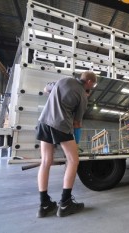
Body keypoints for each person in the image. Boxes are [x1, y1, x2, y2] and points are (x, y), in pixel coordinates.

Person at [35, 71, 97, 218]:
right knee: (73, 160)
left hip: (44, 122)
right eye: (93, 85)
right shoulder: (82, 95)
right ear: (88, 82)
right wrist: (76, 141)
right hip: (61, 125)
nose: (92, 87)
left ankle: (44, 205)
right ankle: (65, 203)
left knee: (45, 161)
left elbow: (46, 89)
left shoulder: (63, 80)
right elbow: (77, 122)